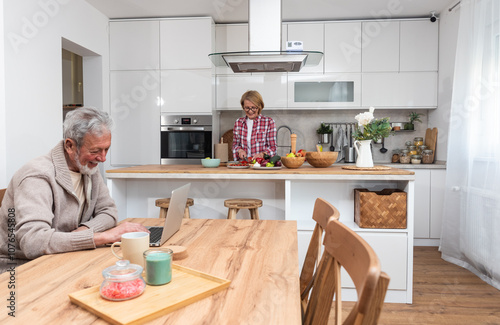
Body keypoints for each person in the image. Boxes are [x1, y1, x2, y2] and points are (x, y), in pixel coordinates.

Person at [0, 107, 149, 273]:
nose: (103, 158)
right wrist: (103, 236)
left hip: (64, 257)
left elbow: (108, 211)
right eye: (95, 151)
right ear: (70, 146)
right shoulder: (37, 176)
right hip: (22, 269)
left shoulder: (87, 166)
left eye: (106, 149)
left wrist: (82, 232)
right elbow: (33, 242)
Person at [232, 90, 277, 161]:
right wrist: (240, 151)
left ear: (259, 106)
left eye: (253, 107)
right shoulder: (238, 123)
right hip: (244, 165)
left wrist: (262, 155)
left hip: (262, 166)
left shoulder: (269, 122)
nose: (250, 111)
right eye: (247, 108)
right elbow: (235, 146)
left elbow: (273, 148)